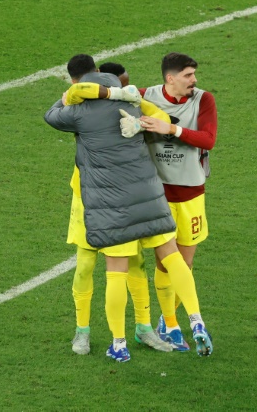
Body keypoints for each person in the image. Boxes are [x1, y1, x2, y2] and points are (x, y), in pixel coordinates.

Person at [46, 54, 213, 361]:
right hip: (127, 195)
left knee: (115, 267)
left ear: (74, 82)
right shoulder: (132, 100)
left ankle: (132, 334)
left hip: (106, 201)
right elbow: (164, 121)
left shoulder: (77, 109)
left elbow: (51, 114)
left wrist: (69, 97)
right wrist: (136, 118)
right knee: (137, 261)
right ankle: (86, 331)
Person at [128, 52, 218, 351]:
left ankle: (170, 321)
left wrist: (172, 129)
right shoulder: (146, 96)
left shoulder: (204, 100)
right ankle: (170, 323)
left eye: (194, 75)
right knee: (165, 261)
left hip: (192, 192)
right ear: (170, 78)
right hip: (158, 193)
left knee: (186, 262)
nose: (195, 80)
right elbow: (114, 94)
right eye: (188, 75)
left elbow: (208, 139)